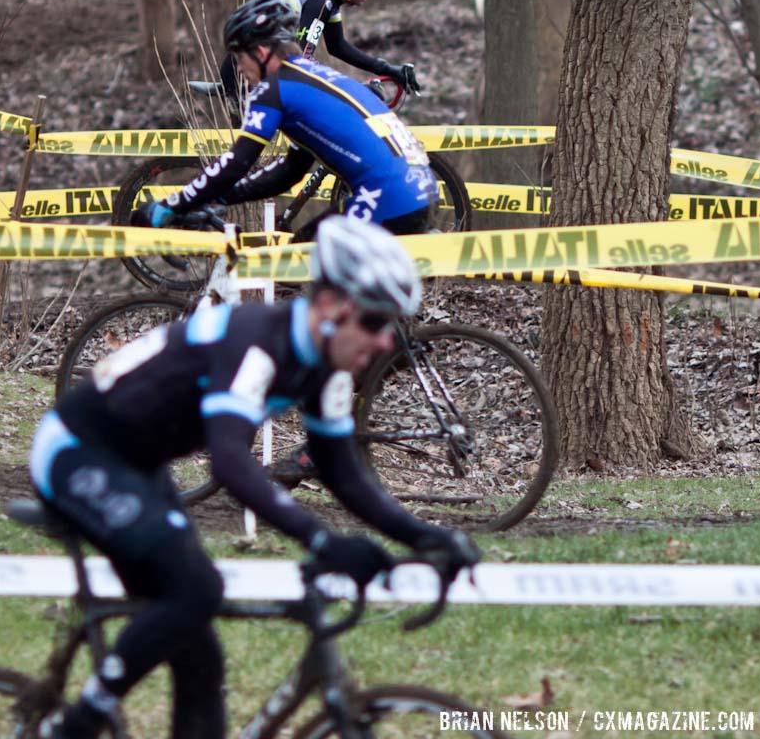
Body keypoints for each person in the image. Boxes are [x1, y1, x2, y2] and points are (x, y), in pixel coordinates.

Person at [29, 216, 480, 739]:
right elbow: (229, 459)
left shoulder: (327, 365)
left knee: (199, 654)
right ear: (333, 308)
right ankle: (72, 727)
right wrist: (319, 539)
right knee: (198, 590)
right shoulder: (258, 342)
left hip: (135, 462)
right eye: (378, 322)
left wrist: (425, 535)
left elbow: (340, 470)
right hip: (78, 452)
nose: (385, 343)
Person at [136, 0, 438, 238]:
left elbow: (237, 161)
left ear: (262, 52)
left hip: (387, 198)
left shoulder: (275, 89)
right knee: (304, 271)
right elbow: (290, 171)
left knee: (293, 267)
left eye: (239, 58)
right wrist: (220, 197)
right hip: (419, 190)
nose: (239, 70)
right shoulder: (312, 75)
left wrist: (173, 204)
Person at [219, 0, 420, 104]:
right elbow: (300, 62)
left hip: (257, 70)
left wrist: (386, 69)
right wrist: (353, 89)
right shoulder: (320, 1)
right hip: (246, 75)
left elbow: (337, 46)